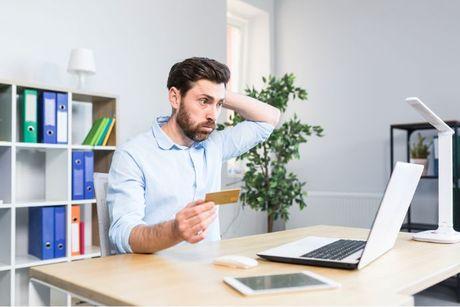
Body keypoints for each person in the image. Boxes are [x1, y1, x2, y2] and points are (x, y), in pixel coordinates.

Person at [107, 57, 280, 253]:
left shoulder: (214, 145)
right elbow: (123, 234)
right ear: (175, 97)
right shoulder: (132, 155)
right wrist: (174, 230)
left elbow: (269, 119)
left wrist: (218, 93)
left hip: (209, 269)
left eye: (219, 105)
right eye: (203, 101)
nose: (213, 115)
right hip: (156, 274)